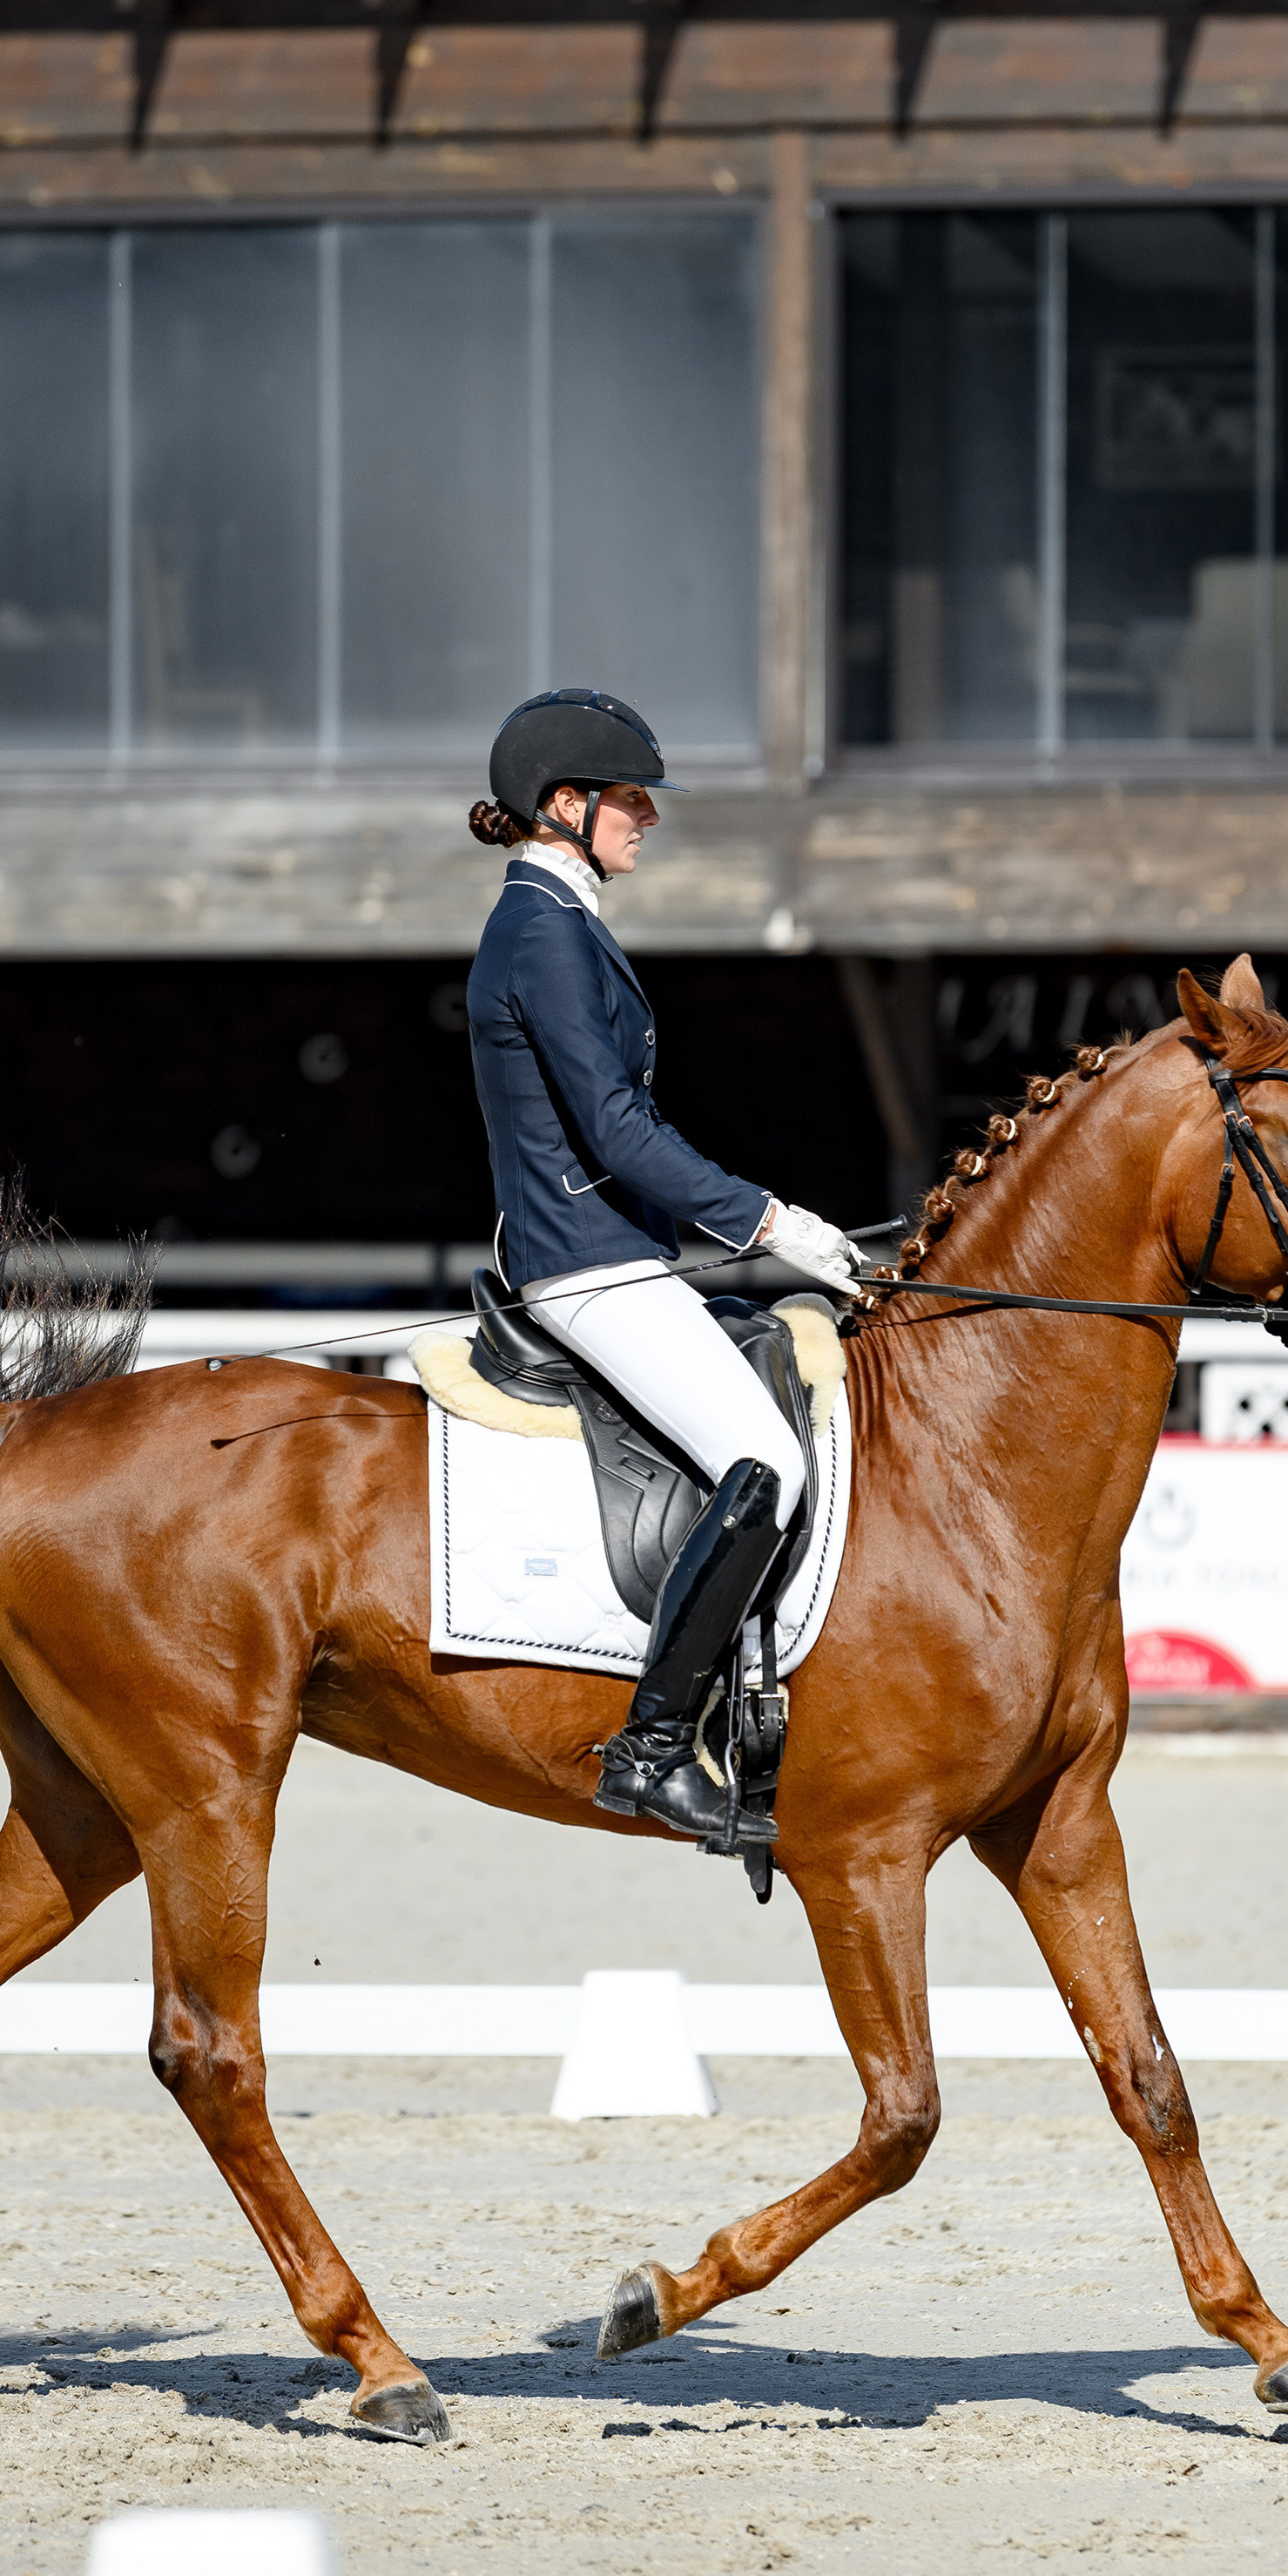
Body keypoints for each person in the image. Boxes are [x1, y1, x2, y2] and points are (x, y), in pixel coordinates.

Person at [464, 686, 865, 1848]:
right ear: (564, 805)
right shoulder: (539, 929)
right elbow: (615, 1130)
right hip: (587, 1264)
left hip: (620, 1251)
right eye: (631, 799)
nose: (649, 818)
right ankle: (650, 1748)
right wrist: (770, 1225)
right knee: (767, 1461)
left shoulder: (566, 920)